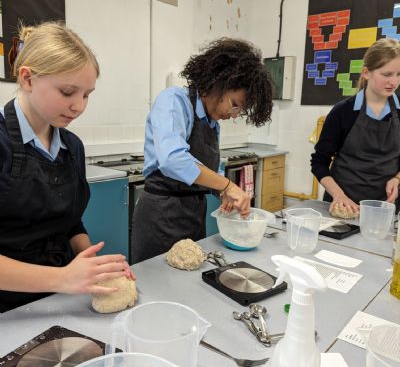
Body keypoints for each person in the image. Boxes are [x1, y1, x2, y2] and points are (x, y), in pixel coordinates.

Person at [0, 21, 133, 313]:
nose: (79, 106)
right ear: (27, 79)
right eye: (68, 92)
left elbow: (69, 222)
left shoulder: (72, 147)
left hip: (59, 301)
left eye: (86, 94)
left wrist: (94, 267)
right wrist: (63, 278)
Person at [132, 38, 273, 263]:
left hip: (192, 215)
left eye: (241, 110)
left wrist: (224, 193)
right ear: (220, 82)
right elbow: (173, 160)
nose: (235, 114)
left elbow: (209, 173)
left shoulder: (212, 123)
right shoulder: (173, 101)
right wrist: (229, 185)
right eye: (235, 104)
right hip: (161, 216)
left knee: (190, 286)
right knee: (157, 286)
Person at [311, 38, 400, 214]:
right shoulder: (343, 112)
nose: (394, 82)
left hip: (384, 210)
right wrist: (339, 196)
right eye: (387, 74)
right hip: (344, 206)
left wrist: (396, 179)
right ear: (366, 73)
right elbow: (319, 162)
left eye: (399, 74)